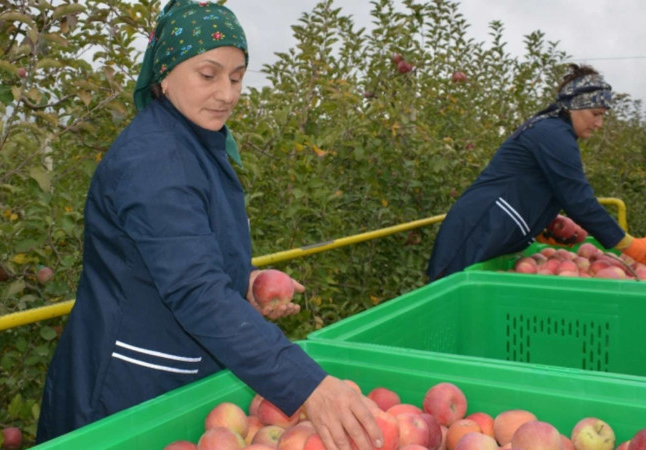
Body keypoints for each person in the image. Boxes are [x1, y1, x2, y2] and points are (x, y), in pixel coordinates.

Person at [35, 2, 384, 449]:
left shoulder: (193, 143)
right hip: (124, 395)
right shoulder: (153, 158)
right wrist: (308, 386)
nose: (227, 93)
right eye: (208, 74)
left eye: (237, 77)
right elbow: (194, 289)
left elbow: (185, 253)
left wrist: (247, 282)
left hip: (179, 380)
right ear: (165, 73)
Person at [427, 64, 646, 281]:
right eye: (595, 113)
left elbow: (531, 184)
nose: (599, 123)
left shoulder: (552, 130)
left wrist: (545, 224)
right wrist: (630, 245)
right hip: (479, 228)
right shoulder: (553, 134)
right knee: (454, 299)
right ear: (573, 106)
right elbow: (579, 200)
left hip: (490, 226)